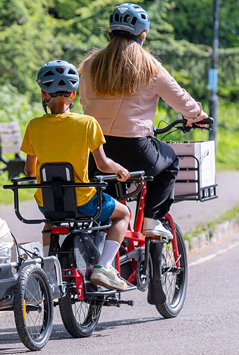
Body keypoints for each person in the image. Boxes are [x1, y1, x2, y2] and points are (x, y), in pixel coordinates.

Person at [78, 3, 208, 302]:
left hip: (96, 149)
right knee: (171, 160)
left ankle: (106, 255)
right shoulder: (148, 65)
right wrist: (197, 115)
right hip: (136, 148)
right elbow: (182, 101)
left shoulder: (91, 64)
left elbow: (85, 102)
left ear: (110, 32)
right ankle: (152, 219)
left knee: (108, 200)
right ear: (143, 35)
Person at [21, 60, 132, 291]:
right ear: (73, 93)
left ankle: (48, 268)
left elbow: (30, 171)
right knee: (123, 214)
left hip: (48, 203)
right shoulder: (87, 123)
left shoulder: (34, 126)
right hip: (84, 201)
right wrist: (120, 169)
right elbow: (103, 165)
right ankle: (103, 267)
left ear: (43, 93)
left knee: (51, 222)